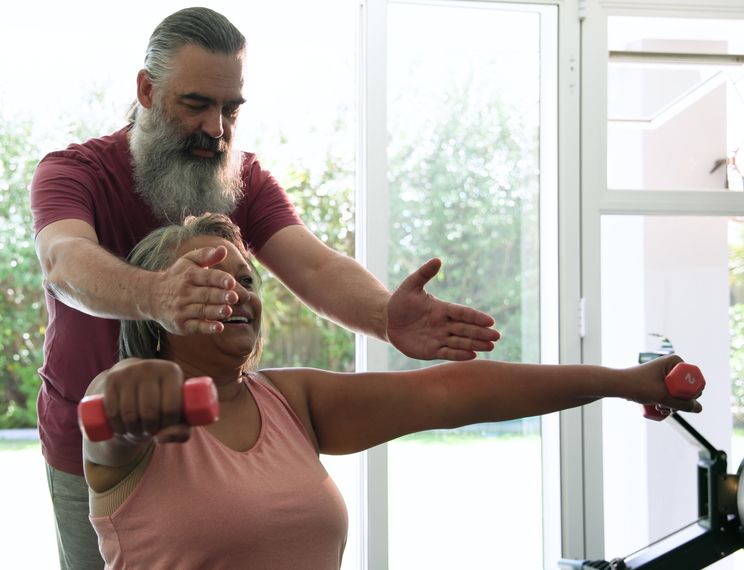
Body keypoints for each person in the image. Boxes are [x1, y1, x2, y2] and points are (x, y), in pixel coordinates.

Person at [30, 7, 501, 568]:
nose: (216, 128)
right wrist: (157, 295)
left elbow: (315, 267)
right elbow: (64, 261)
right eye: (196, 104)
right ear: (146, 91)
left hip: (221, 434)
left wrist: (383, 315)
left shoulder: (243, 178)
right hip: (95, 444)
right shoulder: (74, 171)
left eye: (231, 109)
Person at [83, 213, 704, 569]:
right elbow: (109, 411)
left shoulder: (289, 401)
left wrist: (623, 382)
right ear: (156, 305)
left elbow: (455, 393)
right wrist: (133, 388)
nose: (240, 293)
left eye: (247, 280)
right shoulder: (130, 413)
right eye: (212, 278)